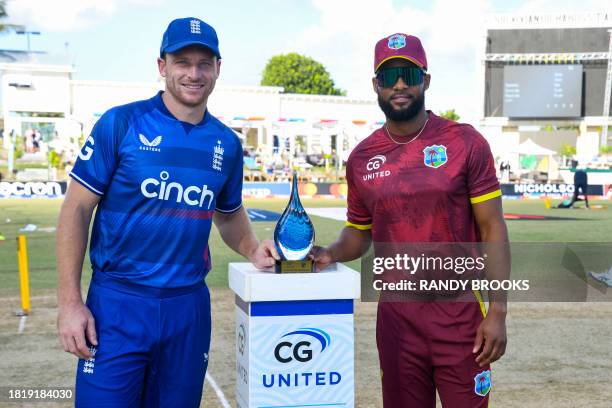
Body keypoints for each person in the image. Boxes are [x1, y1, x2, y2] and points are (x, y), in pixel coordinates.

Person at [56, 17, 279, 407]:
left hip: (187, 309)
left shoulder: (226, 144)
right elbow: (76, 209)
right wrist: (70, 303)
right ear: (163, 66)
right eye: (182, 62)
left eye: (204, 63)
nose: (193, 73)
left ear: (218, 69)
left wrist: (252, 248)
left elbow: (228, 213)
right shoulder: (121, 123)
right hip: (118, 304)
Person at [312, 33, 509, 407]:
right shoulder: (361, 158)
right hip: (397, 317)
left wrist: (497, 309)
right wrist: (332, 252)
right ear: (376, 86)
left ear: (425, 80)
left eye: (408, 73)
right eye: (388, 77)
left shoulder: (464, 142)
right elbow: (358, 230)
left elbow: (492, 227)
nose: (399, 84)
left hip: (460, 311)